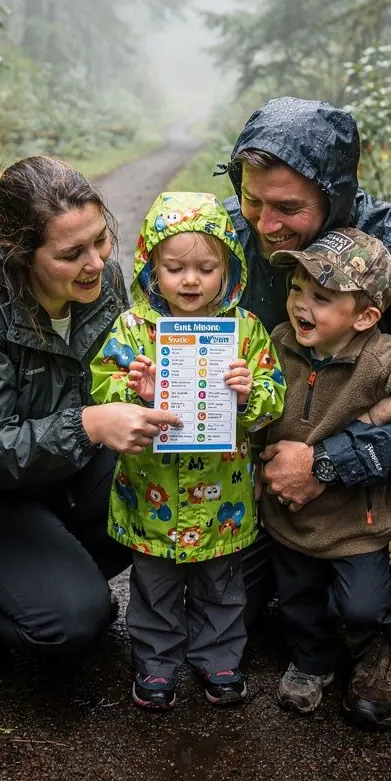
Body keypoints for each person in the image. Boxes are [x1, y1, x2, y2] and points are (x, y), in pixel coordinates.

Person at [222, 97, 391, 728]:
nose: (265, 224)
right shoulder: (231, 242)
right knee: (218, 621)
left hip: (365, 463)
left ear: (336, 196)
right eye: (252, 201)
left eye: (288, 207)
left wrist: (334, 459)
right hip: (257, 463)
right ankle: (299, 597)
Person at [0, 155, 176, 667]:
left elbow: (116, 366)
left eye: (100, 240)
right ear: (20, 254)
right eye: (71, 253)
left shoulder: (103, 282)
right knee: (72, 622)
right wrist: (89, 424)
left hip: (54, 472)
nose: (96, 262)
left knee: (171, 490)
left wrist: (141, 385)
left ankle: (39, 568)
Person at [89, 191, 286, 710]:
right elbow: (102, 392)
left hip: (223, 496)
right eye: (175, 267)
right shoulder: (133, 329)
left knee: (222, 585)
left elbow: (272, 403)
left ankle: (218, 657)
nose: (191, 280)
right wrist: (136, 393)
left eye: (206, 267)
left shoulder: (245, 332)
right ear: (152, 266)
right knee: (153, 586)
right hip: (151, 492)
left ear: (229, 267)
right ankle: (156, 664)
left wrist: (248, 393)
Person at [260, 228, 391, 717]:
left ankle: (373, 628)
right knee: (297, 598)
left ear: (365, 316)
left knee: (361, 604)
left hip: (355, 524)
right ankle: (311, 662)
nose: (301, 304)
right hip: (291, 519)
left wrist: (372, 417)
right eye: (297, 287)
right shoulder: (279, 343)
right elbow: (257, 405)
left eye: (321, 297)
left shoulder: (381, 356)